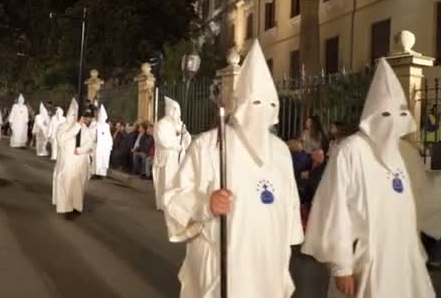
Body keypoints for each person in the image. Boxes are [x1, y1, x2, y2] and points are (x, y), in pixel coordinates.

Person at [163, 40, 303, 298]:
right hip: (222, 267)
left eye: (270, 104)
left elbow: (289, 203)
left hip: (269, 268)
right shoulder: (208, 146)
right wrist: (206, 204)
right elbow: (174, 199)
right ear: (241, 104)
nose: (263, 111)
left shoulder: (281, 151)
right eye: (256, 103)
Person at [302, 58, 441, 298]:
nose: (393, 119)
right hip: (366, 263)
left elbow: (425, 195)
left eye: (400, 112)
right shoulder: (350, 151)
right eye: (386, 113)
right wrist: (341, 265)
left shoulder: (406, 153)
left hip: (405, 263)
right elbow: (335, 208)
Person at [52, 99, 93, 216]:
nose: (74, 116)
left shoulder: (84, 128)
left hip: (79, 163)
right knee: (66, 184)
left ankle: (76, 206)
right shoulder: (62, 127)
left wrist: (80, 150)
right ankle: (65, 208)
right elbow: (62, 139)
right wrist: (76, 127)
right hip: (66, 163)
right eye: (72, 114)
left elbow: (90, 143)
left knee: (78, 185)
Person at [153, 97, 192, 210]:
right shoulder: (161, 124)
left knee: (177, 181)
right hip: (167, 157)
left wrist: (184, 133)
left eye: (177, 109)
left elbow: (187, 140)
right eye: (174, 109)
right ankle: (164, 203)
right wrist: (177, 147)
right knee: (167, 181)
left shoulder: (179, 124)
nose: (176, 112)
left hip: (179, 158)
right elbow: (162, 141)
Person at [91, 105, 113, 179]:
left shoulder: (106, 126)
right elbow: (92, 133)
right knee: (96, 159)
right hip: (97, 145)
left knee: (103, 160)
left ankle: (102, 174)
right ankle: (95, 173)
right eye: (100, 115)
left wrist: (110, 145)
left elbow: (108, 136)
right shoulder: (95, 124)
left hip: (104, 147)